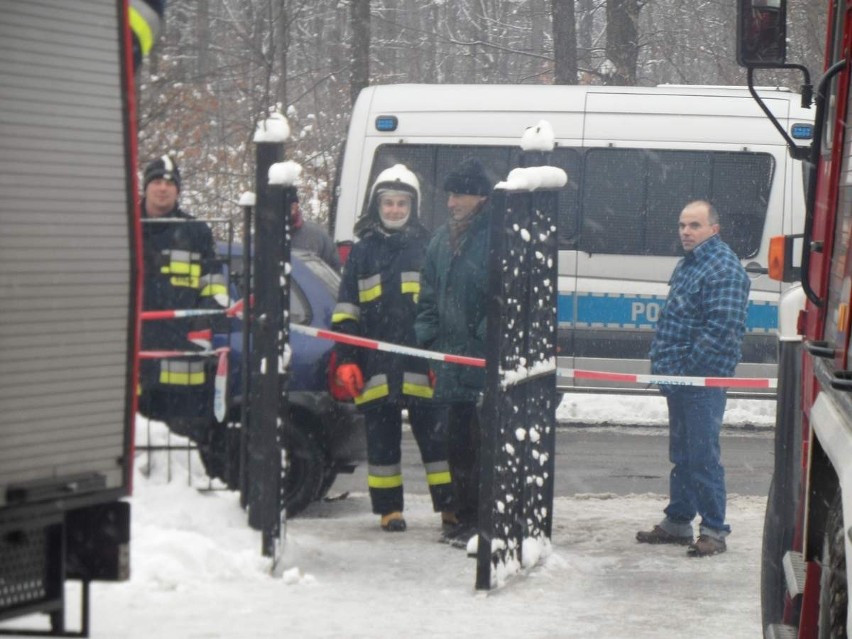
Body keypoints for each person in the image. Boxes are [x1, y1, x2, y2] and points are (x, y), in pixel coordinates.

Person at [331, 164, 454, 532]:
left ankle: (450, 507)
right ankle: (389, 510)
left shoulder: (431, 247)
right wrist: (346, 360)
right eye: (389, 203)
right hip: (374, 366)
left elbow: (444, 307)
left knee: (438, 445)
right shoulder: (362, 253)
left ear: (412, 208)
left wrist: (440, 355)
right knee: (381, 444)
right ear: (377, 206)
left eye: (402, 203)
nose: (395, 210)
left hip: (421, 363)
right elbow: (346, 310)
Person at [636, 200, 750, 557]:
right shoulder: (691, 263)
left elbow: (722, 330)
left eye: (695, 225)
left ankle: (714, 531)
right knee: (683, 453)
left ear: (713, 229)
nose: (686, 231)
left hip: (701, 381)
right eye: (683, 225)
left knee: (702, 455)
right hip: (681, 378)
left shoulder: (724, 268)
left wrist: (688, 369)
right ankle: (678, 521)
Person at [414, 157, 493, 548]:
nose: (451, 202)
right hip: (448, 363)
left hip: (479, 364)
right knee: (456, 446)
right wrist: (429, 341)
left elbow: (503, 299)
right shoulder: (440, 241)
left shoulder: (496, 237)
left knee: (482, 448)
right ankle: (462, 517)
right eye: (449, 195)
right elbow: (427, 296)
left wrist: (480, 342)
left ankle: (483, 521)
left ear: (479, 197)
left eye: (459, 194)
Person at [138, 155, 230, 471]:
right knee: (134, 452)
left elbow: (215, 289)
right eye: (156, 182)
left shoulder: (196, 233)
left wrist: (205, 319)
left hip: (184, 368)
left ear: (178, 191)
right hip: (133, 364)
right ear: (145, 186)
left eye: (169, 183)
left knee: (183, 460)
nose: (163, 189)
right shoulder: (124, 228)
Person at [290, 194, 340, 271]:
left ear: (297, 205)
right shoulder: (266, 237)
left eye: (292, 205)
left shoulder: (318, 236)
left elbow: (333, 273)